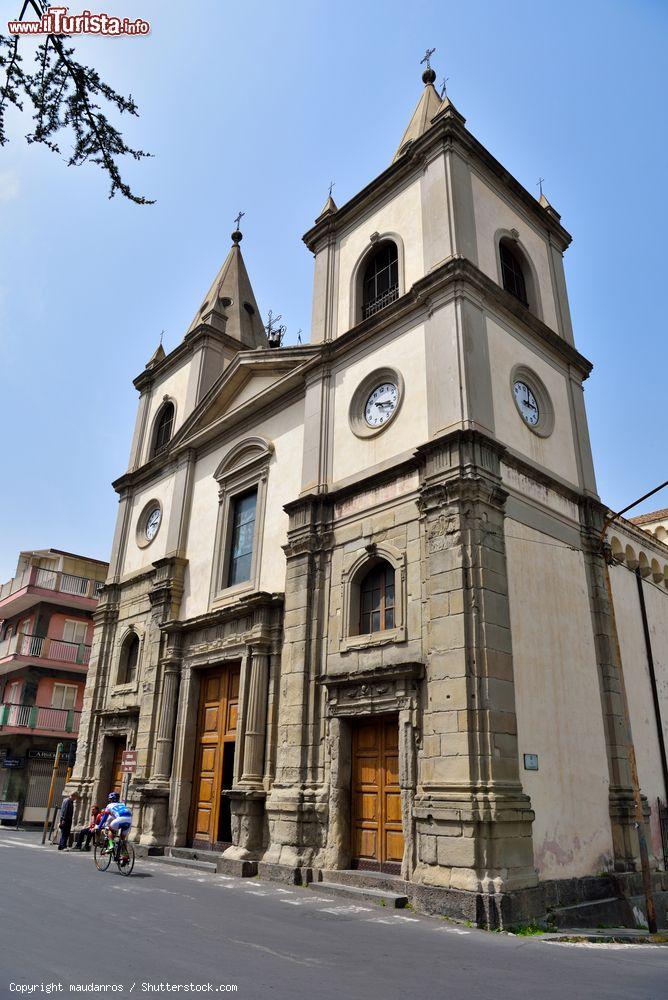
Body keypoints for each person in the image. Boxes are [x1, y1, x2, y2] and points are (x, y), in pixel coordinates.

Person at [96, 792, 133, 857]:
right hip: (129, 820)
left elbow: (104, 818)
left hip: (120, 819)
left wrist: (99, 827)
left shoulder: (109, 806)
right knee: (122, 839)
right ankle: (125, 856)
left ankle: (111, 846)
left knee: (110, 830)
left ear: (110, 799)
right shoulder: (122, 804)